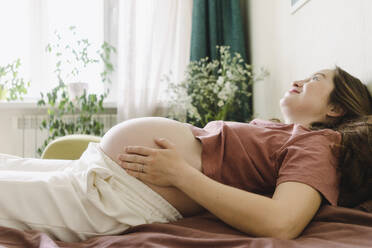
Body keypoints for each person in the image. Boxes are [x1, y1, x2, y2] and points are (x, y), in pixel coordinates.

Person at [0, 67, 371, 242]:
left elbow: (281, 222)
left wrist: (181, 175)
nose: (301, 79)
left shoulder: (321, 145)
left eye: (317, 79)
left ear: (336, 109)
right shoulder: (281, 131)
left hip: (116, 196)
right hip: (101, 174)